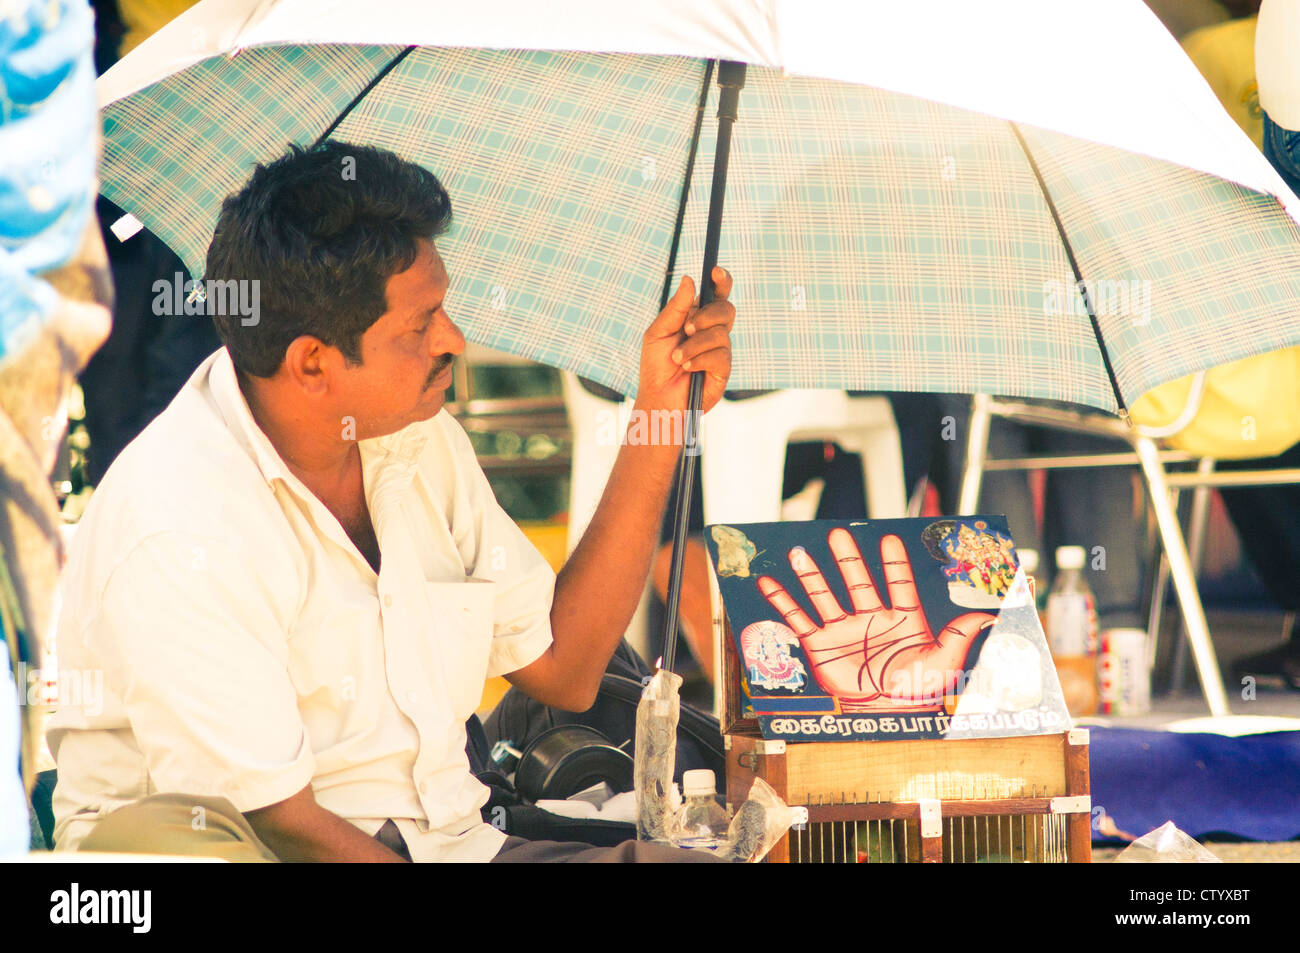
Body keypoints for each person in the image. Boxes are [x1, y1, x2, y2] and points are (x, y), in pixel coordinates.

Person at [47, 142, 735, 862]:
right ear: (313, 363)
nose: (455, 339)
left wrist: (662, 403)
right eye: (421, 324)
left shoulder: (417, 442)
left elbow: (565, 665)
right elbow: (285, 824)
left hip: (456, 839)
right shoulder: (182, 527)